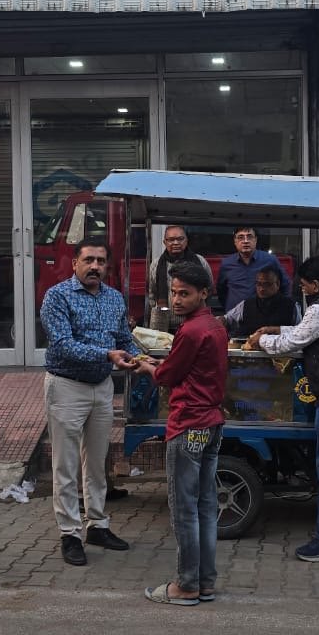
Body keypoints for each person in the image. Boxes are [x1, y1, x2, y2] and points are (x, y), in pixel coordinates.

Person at [248, 254, 319, 563]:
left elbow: (293, 342)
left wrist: (261, 340)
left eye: (305, 285)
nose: (303, 290)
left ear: (316, 284)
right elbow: (302, 330)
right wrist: (274, 327)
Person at [41, 239, 139, 566]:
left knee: (97, 462)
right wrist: (108, 355)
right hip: (67, 386)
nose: (95, 266)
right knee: (65, 466)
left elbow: (124, 340)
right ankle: (69, 533)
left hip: (102, 386)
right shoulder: (57, 296)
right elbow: (63, 344)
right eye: (88, 260)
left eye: (100, 261)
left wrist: (144, 360)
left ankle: (97, 524)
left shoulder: (114, 298)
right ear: (74, 264)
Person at [135, 262, 228, 606]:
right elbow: (184, 370)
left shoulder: (191, 331)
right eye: (173, 292)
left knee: (184, 508)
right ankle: (205, 581)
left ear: (203, 293)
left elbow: (169, 377)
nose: (176, 299)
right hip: (212, 423)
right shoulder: (214, 327)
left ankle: (186, 585)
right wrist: (156, 366)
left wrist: (146, 366)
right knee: (204, 505)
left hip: (189, 424)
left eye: (184, 293)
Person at [148, 225, 212, 333]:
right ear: (165, 242)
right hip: (165, 327)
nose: (176, 243)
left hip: (195, 324)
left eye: (180, 239)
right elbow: (152, 294)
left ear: (186, 241)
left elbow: (209, 289)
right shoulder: (156, 264)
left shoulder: (200, 262)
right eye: (171, 240)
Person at [215, 226, 290, 313]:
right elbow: (221, 290)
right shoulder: (227, 263)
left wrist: (283, 308)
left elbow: (285, 285)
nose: (245, 241)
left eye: (249, 237)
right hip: (233, 318)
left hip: (263, 316)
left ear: (255, 240)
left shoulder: (270, 260)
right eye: (240, 237)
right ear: (235, 241)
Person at [221, 265, 299, 338]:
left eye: (266, 284)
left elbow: (300, 331)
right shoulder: (246, 305)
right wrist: (220, 321)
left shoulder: (291, 306)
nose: (261, 289)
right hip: (249, 350)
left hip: (282, 351)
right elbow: (227, 319)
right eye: (258, 284)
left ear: (277, 284)